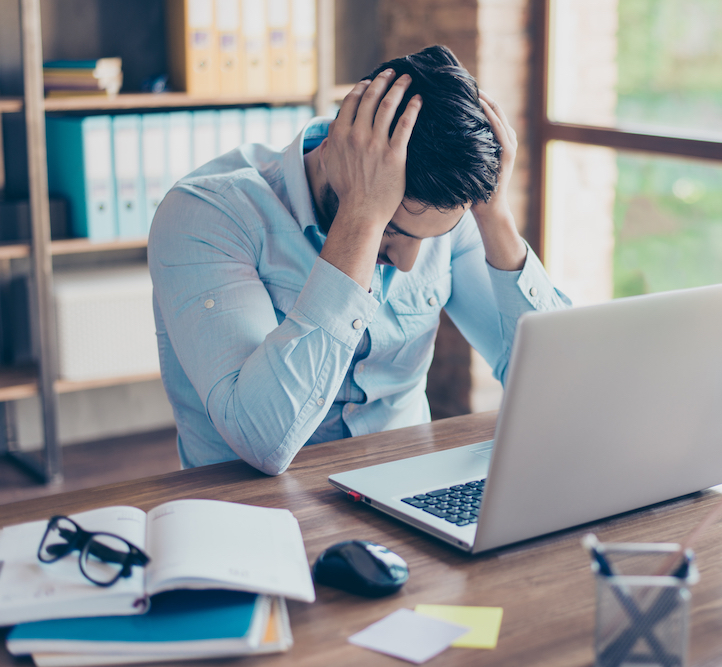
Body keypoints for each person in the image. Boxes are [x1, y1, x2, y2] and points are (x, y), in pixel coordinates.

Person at [148, 45, 571, 475]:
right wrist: (364, 216)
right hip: (254, 505)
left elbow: (559, 389)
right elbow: (263, 442)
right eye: (393, 229)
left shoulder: (439, 208)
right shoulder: (206, 214)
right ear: (336, 154)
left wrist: (494, 214)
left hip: (408, 484)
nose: (408, 263)